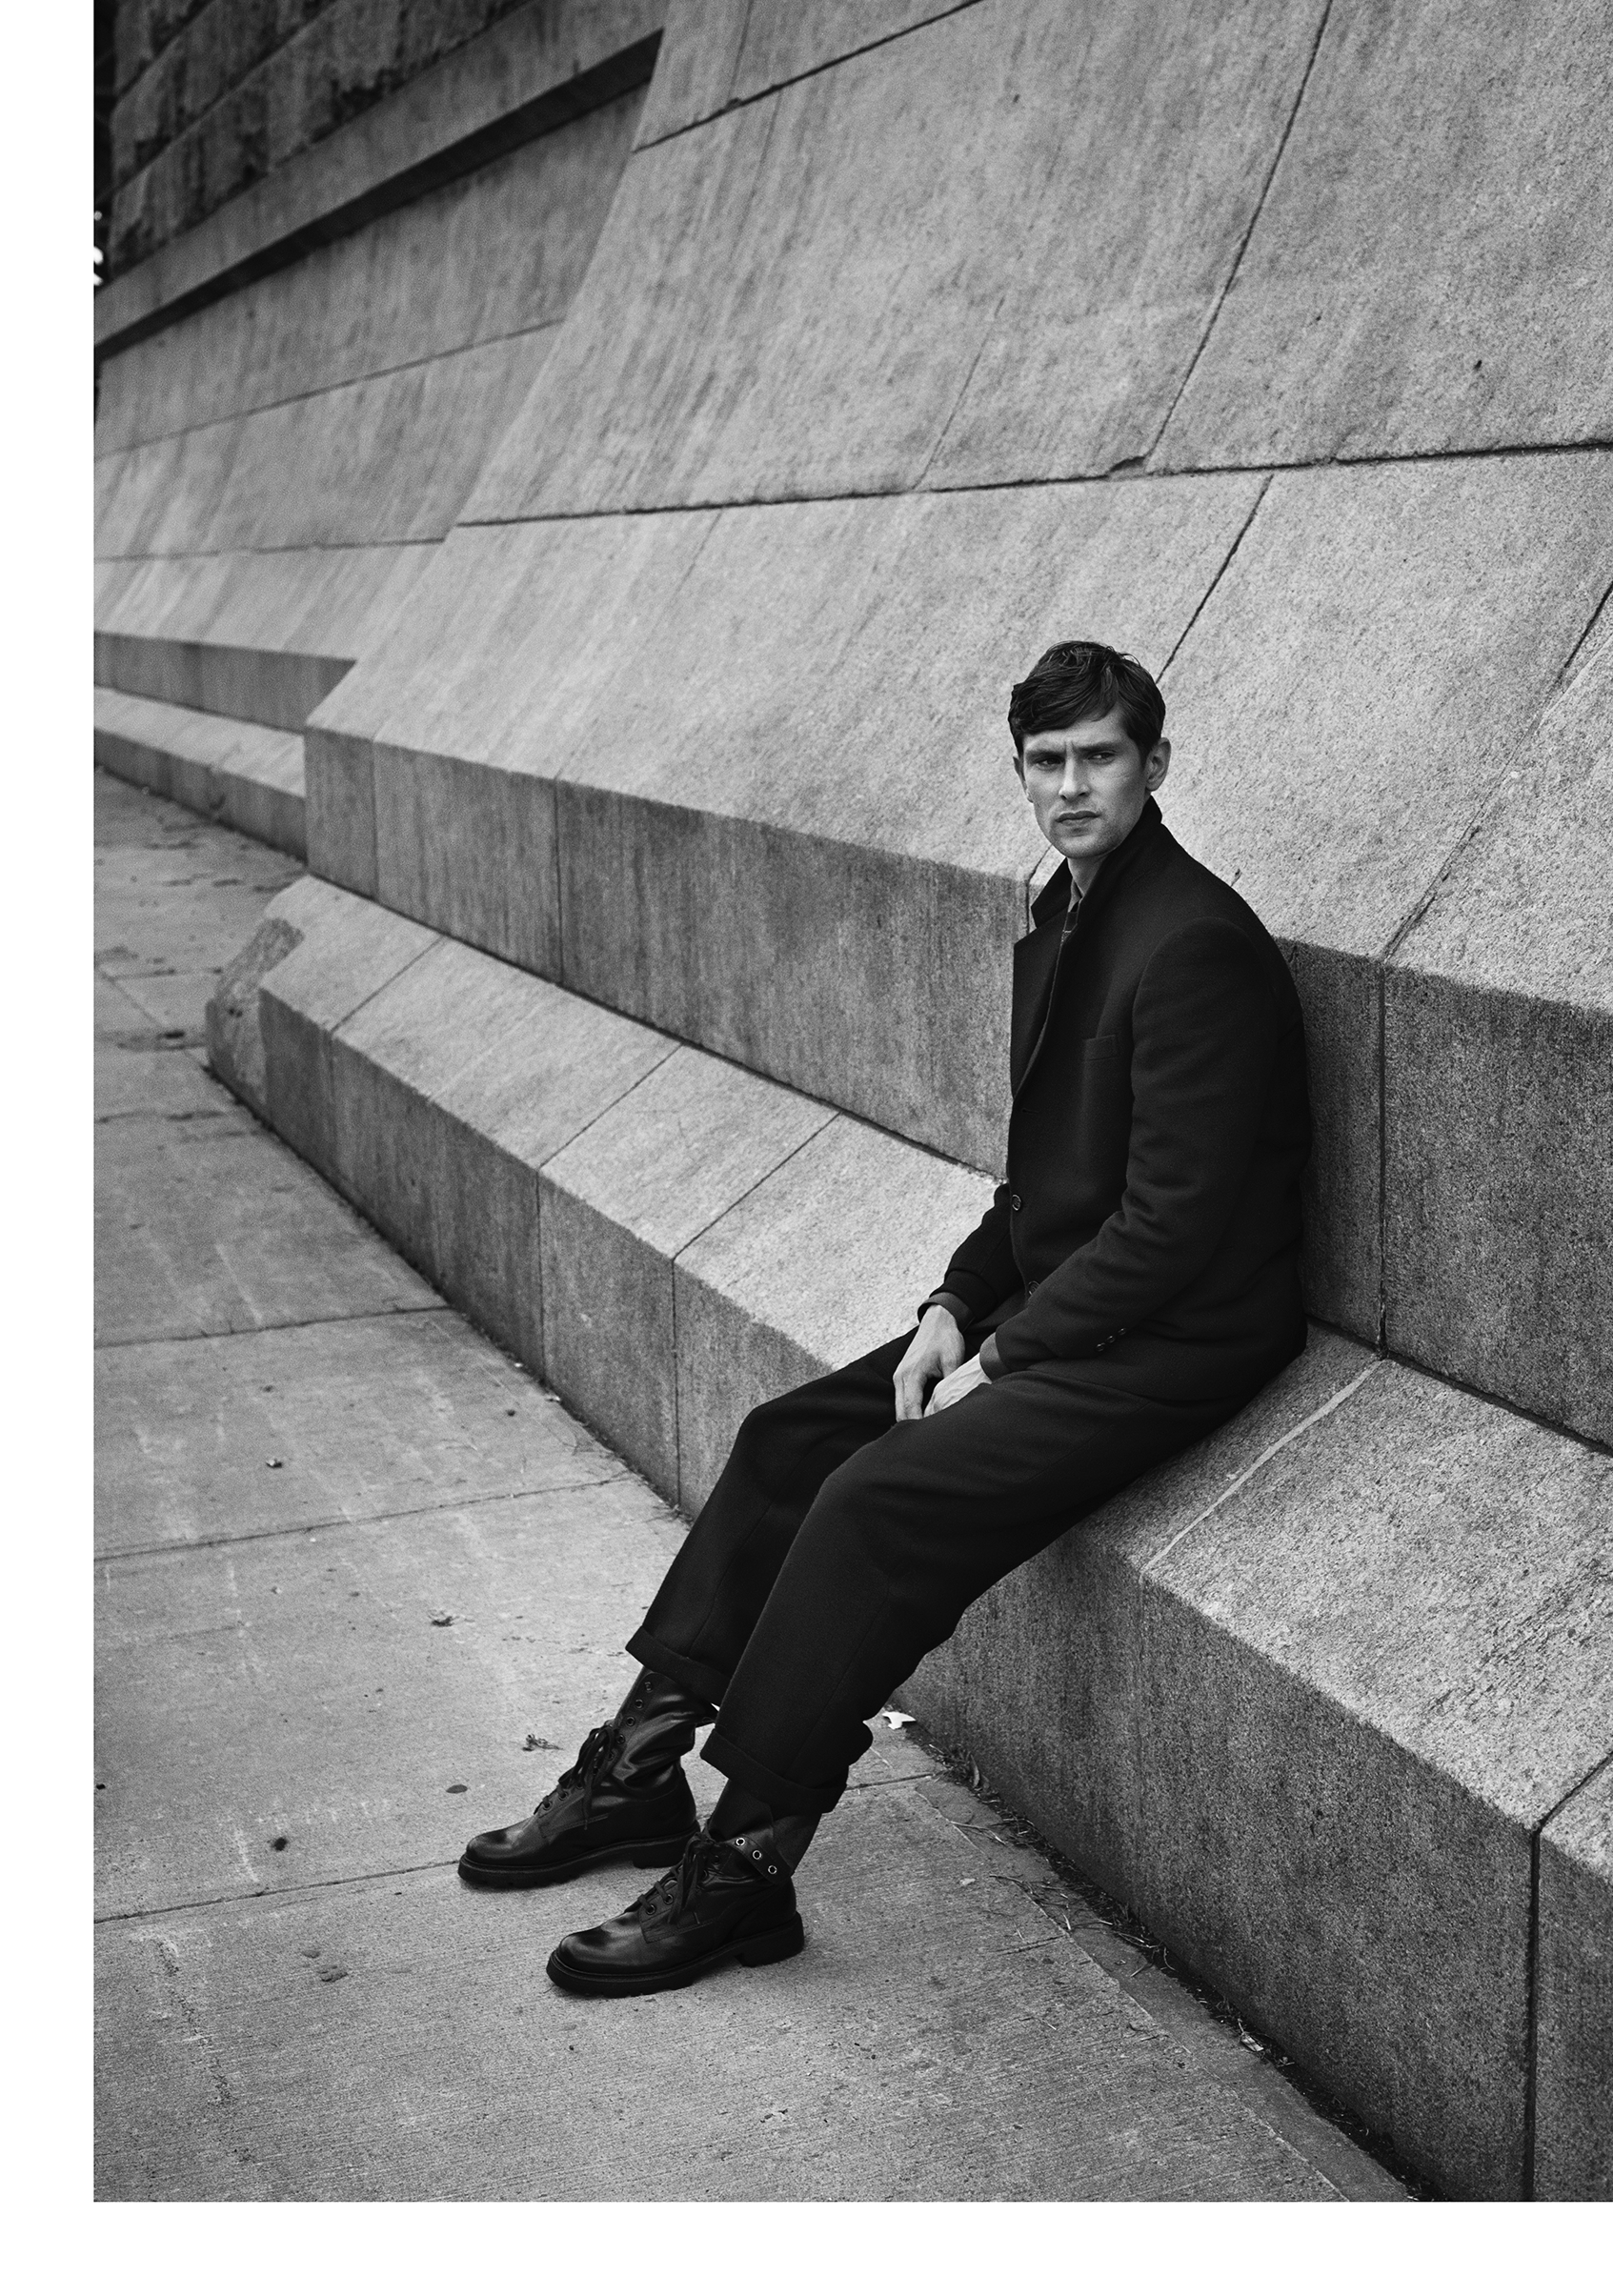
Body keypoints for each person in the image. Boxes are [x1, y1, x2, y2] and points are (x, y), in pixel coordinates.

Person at [458, 639, 1313, 1998]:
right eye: (1046, 761)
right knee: (790, 1439)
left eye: (1100, 757)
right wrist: (953, 1306)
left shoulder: (1193, 942)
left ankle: (748, 1865)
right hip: (1064, 1305)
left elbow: (1173, 1230)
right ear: (1018, 771)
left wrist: (1007, 1353)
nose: (1072, 785)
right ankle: (638, 1770)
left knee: (873, 1499)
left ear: (1155, 763)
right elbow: (1043, 1185)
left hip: (1176, 1339)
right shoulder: (1067, 909)